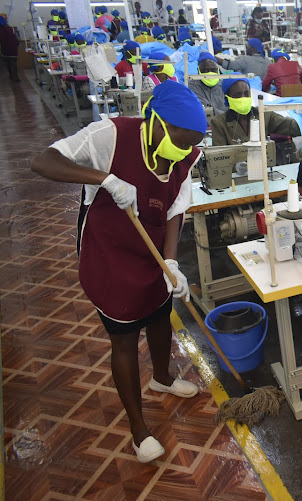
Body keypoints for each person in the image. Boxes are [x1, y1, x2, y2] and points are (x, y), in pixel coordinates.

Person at [30, 80, 207, 463]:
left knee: (161, 317)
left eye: (190, 144)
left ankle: (161, 378)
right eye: (179, 139)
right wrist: (104, 179)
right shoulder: (109, 135)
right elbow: (42, 161)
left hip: (153, 252)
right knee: (124, 337)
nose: (182, 150)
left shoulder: (187, 157)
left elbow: (176, 208)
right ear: (154, 120)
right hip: (110, 254)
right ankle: (138, 430)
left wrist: (172, 263)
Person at [211, 77, 301, 146]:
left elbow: (290, 126)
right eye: (238, 95)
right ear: (228, 98)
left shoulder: (263, 114)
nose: (243, 98)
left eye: (246, 94)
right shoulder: (219, 123)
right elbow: (220, 156)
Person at [0, 15, 19, 82]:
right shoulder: (10, 28)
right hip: (13, 49)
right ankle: (15, 77)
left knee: (8, 63)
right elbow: (15, 38)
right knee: (13, 63)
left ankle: (12, 76)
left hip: (5, 50)